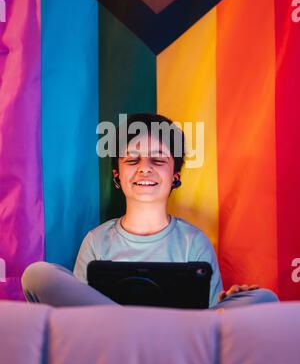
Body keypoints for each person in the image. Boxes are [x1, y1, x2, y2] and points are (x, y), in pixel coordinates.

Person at [22, 113, 278, 309]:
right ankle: (133, 328)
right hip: (114, 345)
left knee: (262, 298)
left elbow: (210, 320)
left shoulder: (193, 242)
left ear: (175, 175)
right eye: (132, 159)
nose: (144, 168)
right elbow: (79, 319)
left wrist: (227, 302)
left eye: (158, 159)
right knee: (37, 275)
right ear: (117, 175)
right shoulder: (97, 241)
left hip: (176, 345)